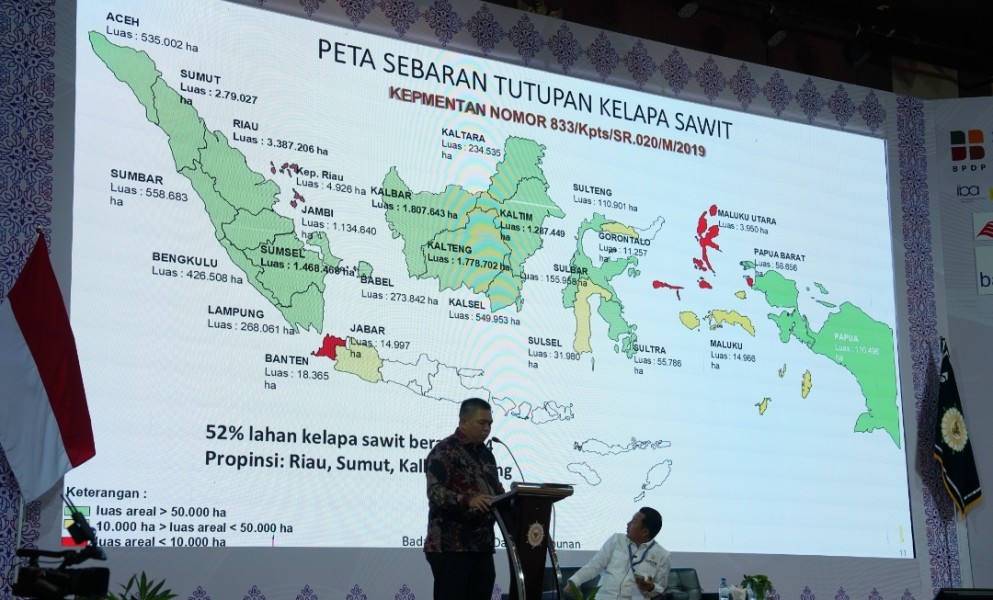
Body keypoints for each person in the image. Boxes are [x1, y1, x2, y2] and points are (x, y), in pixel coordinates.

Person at [424, 397, 506, 600]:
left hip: (482, 547)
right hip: (451, 548)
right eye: (482, 423)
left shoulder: (487, 455)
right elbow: (435, 492)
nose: (487, 429)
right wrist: (467, 500)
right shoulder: (445, 450)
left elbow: (496, 491)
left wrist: (511, 500)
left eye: (490, 424)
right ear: (463, 422)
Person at [566, 507, 671, 599]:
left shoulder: (663, 555)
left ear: (645, 532)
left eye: (633, 521)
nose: (628, 523)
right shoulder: (616, 540)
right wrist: (574, 581)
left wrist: (651, 587)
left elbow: (660, 589)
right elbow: (595, 565)